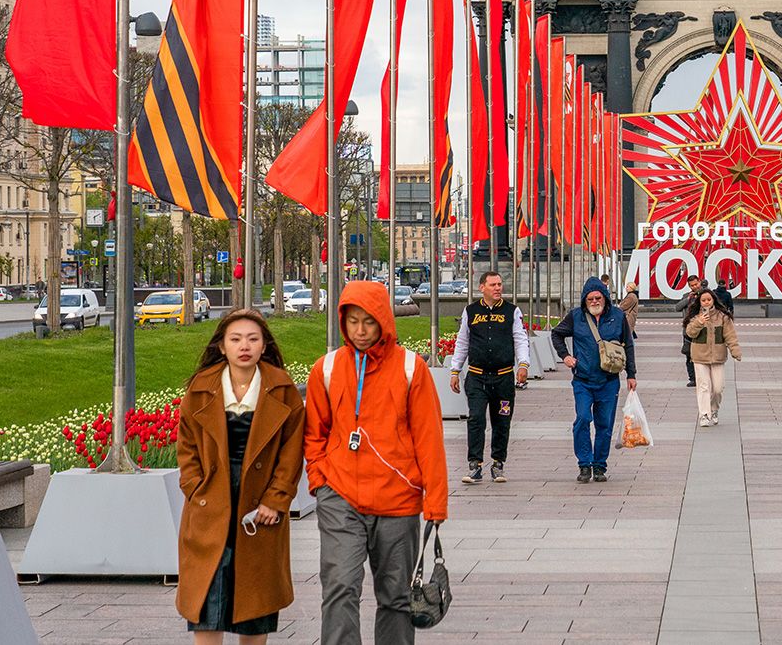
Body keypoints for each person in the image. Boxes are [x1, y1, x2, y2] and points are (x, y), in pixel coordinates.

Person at [306, 281, 448, 645]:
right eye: (352, 321)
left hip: (398, 500)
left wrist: (435, 502)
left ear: (384, 320)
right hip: (340, 495)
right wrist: (319, 480)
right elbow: (315, 433)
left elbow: (429, 439)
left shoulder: (411, 369)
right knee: (339, 587)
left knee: (396, 597)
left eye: (369, 322)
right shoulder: (326, 368)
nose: (360, 330)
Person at [176, 309, 304, 645]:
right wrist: (194, 488)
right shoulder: (201, 389)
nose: (244, 346)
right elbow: (186, 447)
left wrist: (276, 499)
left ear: (264, 345)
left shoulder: (283, 389)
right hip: (210, 501)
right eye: (235, 339)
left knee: (255, 601)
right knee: (207, 599)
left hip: (259, 504)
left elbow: (292, 452)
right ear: (222, 346)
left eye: (252, 339)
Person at [447, 270, 530, 485]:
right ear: (481, 287)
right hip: (477, 377)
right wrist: (455, 370)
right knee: (476, 418)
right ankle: (474, 465)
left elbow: (520, 339)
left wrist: (523, 364)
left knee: (502, 421)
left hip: (503, 379)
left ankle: (498, 463)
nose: (497, 288)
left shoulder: (512, 311)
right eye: (493, 285)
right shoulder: (471, 311)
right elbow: (462, 341)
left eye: (499, 284)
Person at [551, 277, 638, 483]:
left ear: (605, 298)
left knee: (604, 425)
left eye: (598, 297)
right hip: (583, 379)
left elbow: (628, 344)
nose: (594, 301)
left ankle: (599, 465)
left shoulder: (617, 316)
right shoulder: (576, 316)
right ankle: (584, 464)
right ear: (584, 300)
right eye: (590, 299)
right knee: (582, 419)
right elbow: (556, 334)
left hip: (609, 380)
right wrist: (565, 356)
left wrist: (631, 374)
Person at [684, 288, 742, 426]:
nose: (706, 302)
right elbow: (690, 333)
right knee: (703, 386)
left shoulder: (723, 317)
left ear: (713, 300)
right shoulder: (695, 316)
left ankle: (714, 409)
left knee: (718, 388)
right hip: (699, 356)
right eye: (703, 300)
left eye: (709, 300)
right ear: (699, 302)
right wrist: (699, 322)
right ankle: (704, 414)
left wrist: (735, 351)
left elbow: (730, 335)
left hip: (718, 357)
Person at [675, 276, 706, 386]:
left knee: (702, 355)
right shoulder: (686, 296)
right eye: (692, 285)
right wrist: (688, 298)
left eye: (696, 284)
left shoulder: (706, 295)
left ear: (700, 282)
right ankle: (692, 378)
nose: (694, 287)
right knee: (689, 355)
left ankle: (703, 377)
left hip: (702, 330)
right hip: (688, 331)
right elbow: (677, 307)